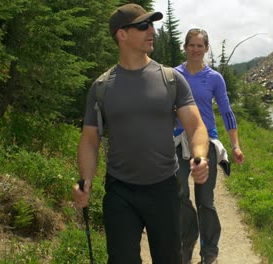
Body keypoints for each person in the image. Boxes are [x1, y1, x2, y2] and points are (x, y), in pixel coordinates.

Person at [72, 4, 210, 264]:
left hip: (165, 189)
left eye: (152, 25)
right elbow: (90, 139)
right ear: (121, 35)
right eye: (143, 26)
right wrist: (85, 181)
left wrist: (200, 156)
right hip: (120, 191)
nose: (152, 31)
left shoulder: (170, 79)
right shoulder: (101, 87)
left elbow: (196, 127)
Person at [174, 28, 245, 264]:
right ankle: (188, 238)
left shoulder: (214, 78)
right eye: (191, 45)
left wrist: (234, 145)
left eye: (200, 46)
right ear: (185, 47)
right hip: (177, 140)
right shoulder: (173, 75)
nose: (196, 50)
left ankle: (209, 250)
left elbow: (226, 111)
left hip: (206, 142)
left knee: (205, 200)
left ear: (206, 48)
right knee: (179, 193)